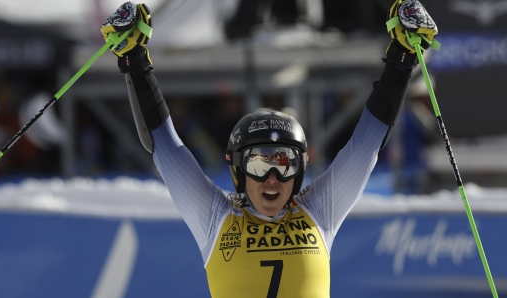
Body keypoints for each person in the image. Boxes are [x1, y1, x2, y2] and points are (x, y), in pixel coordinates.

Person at [101, 0, 438, 296]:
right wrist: (133, 59)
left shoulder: (318, 211)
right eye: (260, 165)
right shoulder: (215, 218)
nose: (273, 178)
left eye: (285, 163)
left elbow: (365, 146)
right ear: (237, 168)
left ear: (301, 168)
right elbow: (167, 148)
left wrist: (403, 56)